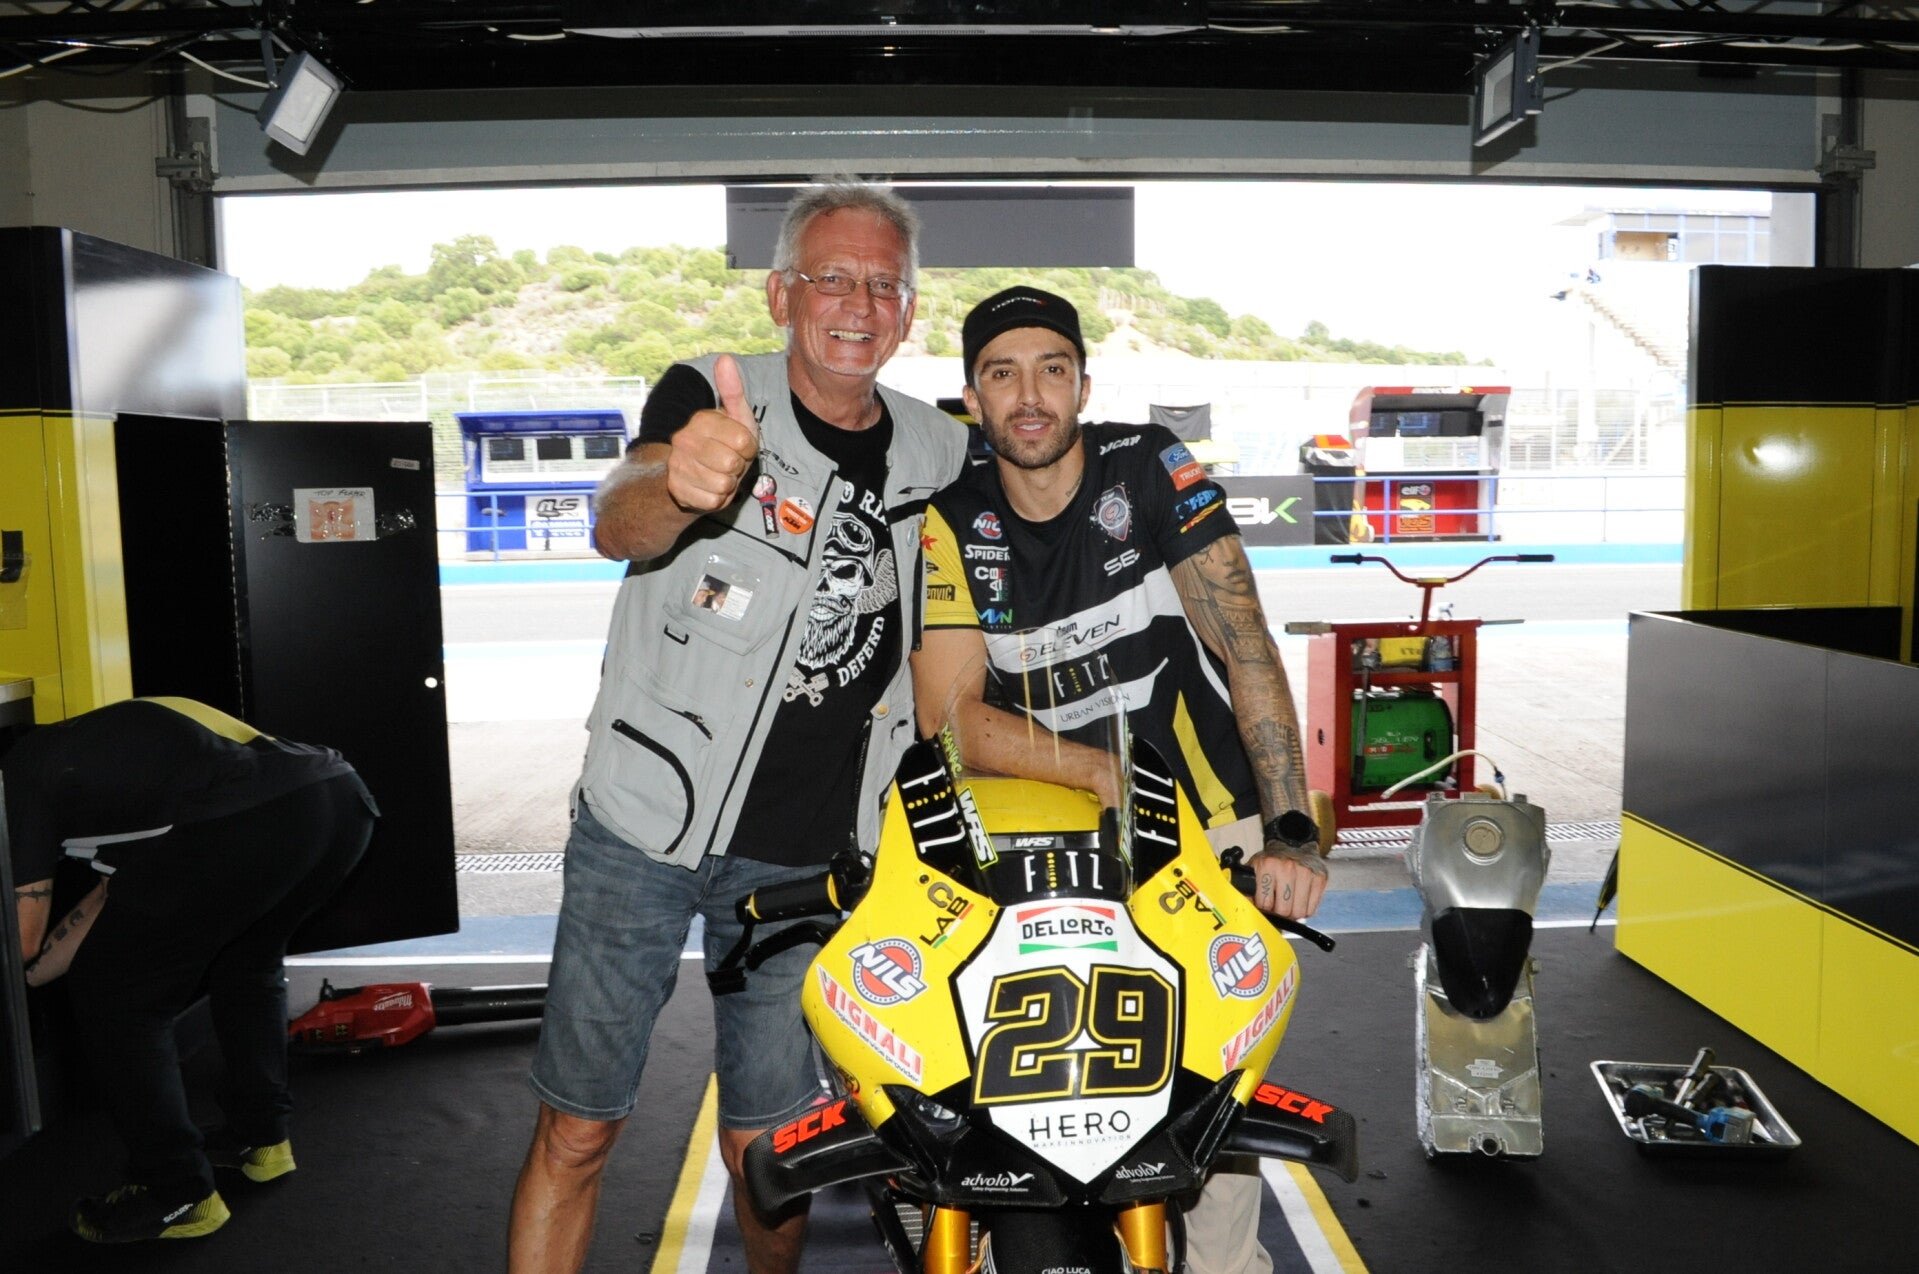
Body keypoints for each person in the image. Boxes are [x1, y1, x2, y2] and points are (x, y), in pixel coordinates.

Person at [507, 180, 967, 1274]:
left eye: (883, 285)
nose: (857, 304)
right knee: (579, 1126)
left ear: (908, 312)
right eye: (830, 278)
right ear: (779, 294)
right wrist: (682, 483)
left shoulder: (940, 451)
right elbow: (618, 518)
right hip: (641, 828)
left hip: (806, 854)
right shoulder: (709, 395)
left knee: (771, 1148)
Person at [912, 286, 1328, 1274]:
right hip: (1041, 837)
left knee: (1207, 1084)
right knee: (1021, 1068)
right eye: (1002, 373)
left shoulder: (1147, 465)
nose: (1029, 396)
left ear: (1082, 387)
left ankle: (1224, 1269)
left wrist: (1287, 829)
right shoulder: (949, 513)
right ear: (971, 396)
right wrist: (1105, 773)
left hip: (1205, 820)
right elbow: (950, 717)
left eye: (1051, 370)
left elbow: (1243, 642)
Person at [2, 696, 377, 1243]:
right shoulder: (96, 755)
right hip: (337, 799)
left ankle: (176, 1192)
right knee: (246, 963)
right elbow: (110, 896)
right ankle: (261, 1139)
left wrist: (26, 968)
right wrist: (31, 978)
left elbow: (20, 936)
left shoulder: (20, 778)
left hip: (249, 820)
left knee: (120, 1002)